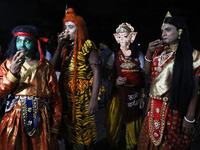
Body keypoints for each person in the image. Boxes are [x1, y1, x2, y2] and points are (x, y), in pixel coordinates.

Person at [138, 12, 200, 150]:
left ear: (180, 31)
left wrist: (190, 116)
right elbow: (147, 72)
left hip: (174, 111)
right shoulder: (159, 51)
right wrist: (148, 51)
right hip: (153, 107)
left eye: (168, 29)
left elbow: (195, 88)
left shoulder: (193, 55)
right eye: (162, 31)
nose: (163, 34)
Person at [0, 25, 62, 149]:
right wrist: (12, 73)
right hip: (15, 119)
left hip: (41, 120)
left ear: (36, 43)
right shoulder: (7, 64)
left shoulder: (46, 67)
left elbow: (56, 99)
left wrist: (55, 125)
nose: (22, 44)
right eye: (19, 41)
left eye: (27, 41)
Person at [50, 8, 100, 150]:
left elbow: (97, 71)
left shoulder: (87, 45)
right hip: (65, 96)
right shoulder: (65, 48)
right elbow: (51, 69)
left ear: (79, 30)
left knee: (85, 132)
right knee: (68, 131)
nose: (66, 30)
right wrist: (59, 46)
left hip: (83, 97)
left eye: (71, 27)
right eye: (65, 27)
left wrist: (94, 99)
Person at [105, 22, 145, 150]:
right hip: (118, 96)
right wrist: (115, 82)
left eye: (126, 36)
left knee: (133, 128)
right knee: (112, 127)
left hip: (133, 97)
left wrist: (143, 95)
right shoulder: (113, 56)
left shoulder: (138, 56)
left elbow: (143, 77)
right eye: (120, 36)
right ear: (116, 38)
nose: (123, 39)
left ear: (132, 37)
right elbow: (107, 76)